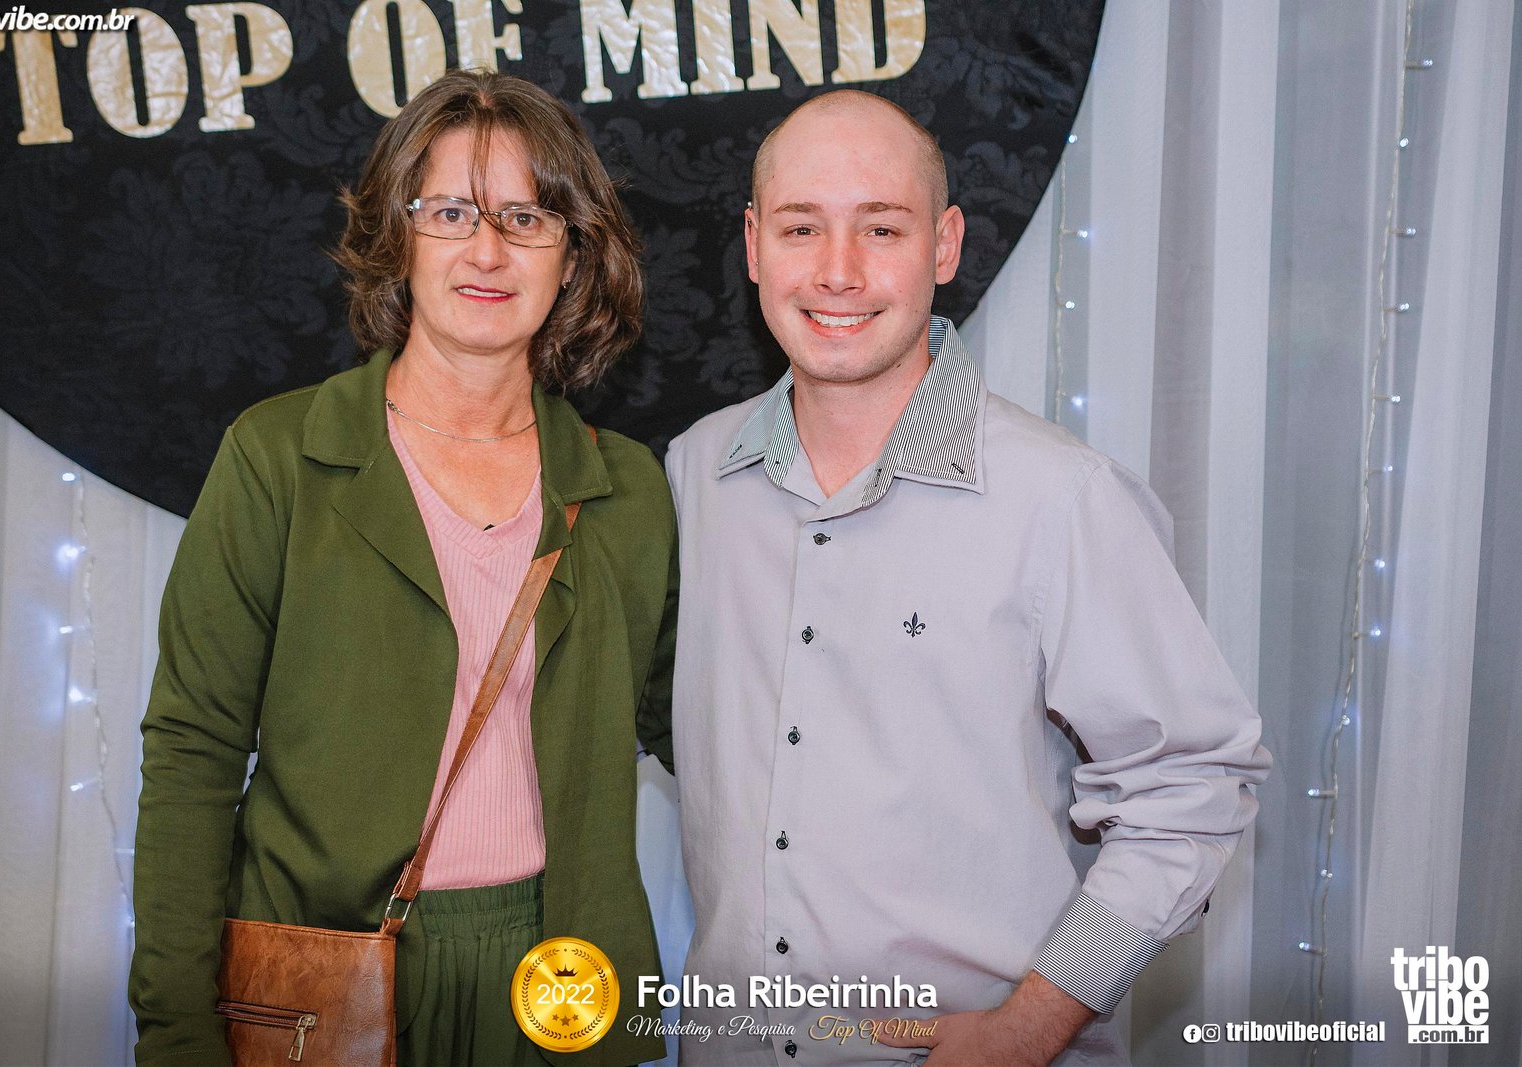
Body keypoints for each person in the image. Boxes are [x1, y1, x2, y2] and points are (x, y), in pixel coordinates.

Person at [663, 90, 1272, 1066]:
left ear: (944, 245)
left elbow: (1192, 785)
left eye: (882, 228)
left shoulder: (1062, 498)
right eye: (801, 226)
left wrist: (1028, 1029)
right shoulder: (695, 472)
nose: (837, 269)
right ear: (752, 246)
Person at [129, 69, 675, 1067]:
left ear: (574, 255)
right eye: (451, 211)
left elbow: (708, 732)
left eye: (526, 217)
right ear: (398, 233)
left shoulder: (627, 489)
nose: (487, 250)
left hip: (563, 983)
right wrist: (176, 1029)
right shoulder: (278, 457)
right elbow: (192, 753)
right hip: (324, 979)